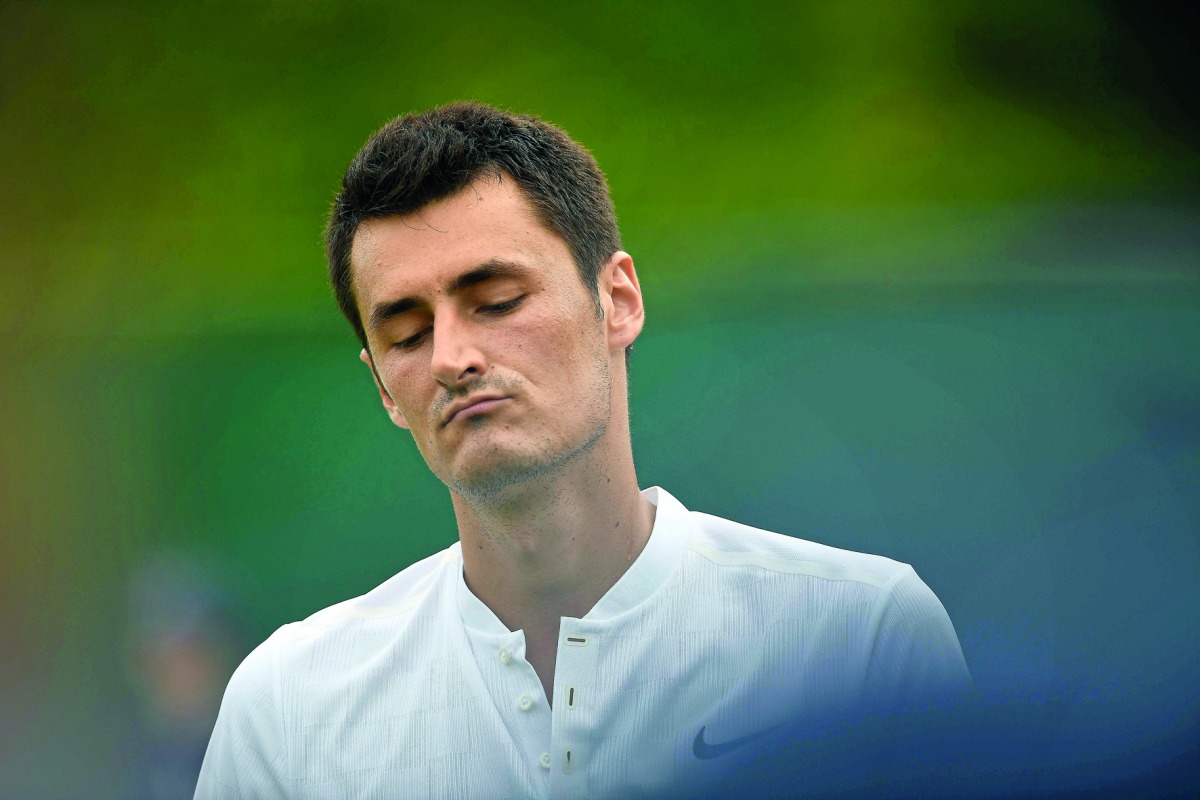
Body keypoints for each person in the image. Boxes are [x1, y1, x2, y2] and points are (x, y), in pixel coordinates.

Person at [195, 102, 971, 800]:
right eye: (408, 332)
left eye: (496, 301)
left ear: (618, 302)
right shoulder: (289, 706)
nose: (451, 357)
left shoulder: (861, 638)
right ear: (383, 390)